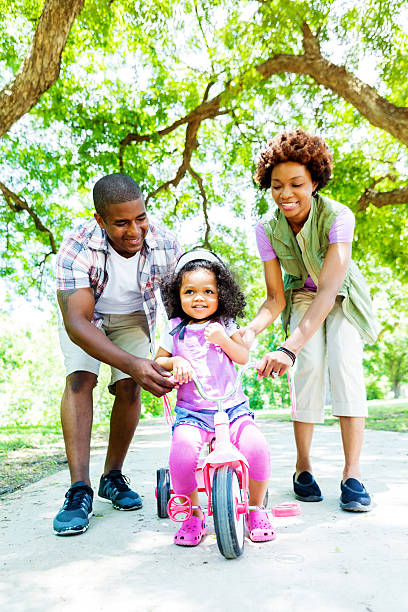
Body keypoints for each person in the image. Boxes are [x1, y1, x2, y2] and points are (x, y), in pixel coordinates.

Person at [242, 128, 378, 512]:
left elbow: (330, 289)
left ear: (315, 182)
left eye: (297, 184)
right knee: (308, 367)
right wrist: (251, 330)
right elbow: (275, 297)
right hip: (302, 295)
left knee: (344, 361)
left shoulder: (339, 217)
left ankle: (352, 474)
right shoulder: (266, 230)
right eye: (276, 185)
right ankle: (303, 467)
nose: (286, 194)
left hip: (341, 298)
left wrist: (287, 347)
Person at [53, 173, 182, 536]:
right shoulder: (76, 247)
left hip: (132, 315)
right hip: (87, 316)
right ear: (100, 220)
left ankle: (112, 476)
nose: (134, 230)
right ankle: (80, 489)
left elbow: (179, 309)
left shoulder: (166, 243)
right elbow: (77, 323)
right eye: (121, 222)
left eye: (140, 217)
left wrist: (173, 357)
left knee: (130, 387)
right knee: (81, 379)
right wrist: (133, 364)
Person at [155, 249, 274, 546]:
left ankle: (256, 509)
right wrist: (176, 362)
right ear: (177, 295)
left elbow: (243, 356)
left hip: (233, 409)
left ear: (222, 293)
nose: (199, 298)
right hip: (192, 412)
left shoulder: (225, 323)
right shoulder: (174, 329)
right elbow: (158, 362)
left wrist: (223, 340)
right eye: (190, 291)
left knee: (256, 448)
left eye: (208, 291)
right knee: (181, 456)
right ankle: (194, 513)